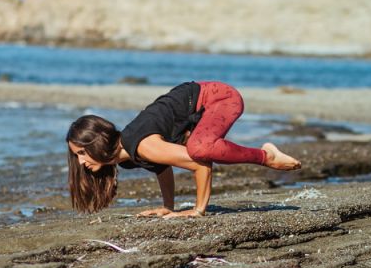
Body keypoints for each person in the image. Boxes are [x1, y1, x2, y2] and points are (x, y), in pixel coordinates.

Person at [66, 80, 301, 217]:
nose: (80, 162)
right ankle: (265, 155)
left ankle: (266, 156)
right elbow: (162, 168)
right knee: (198, 147)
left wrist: (197, 210)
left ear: (96, 142)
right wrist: (169, 207)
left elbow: (200, 165)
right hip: (200, 107)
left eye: (82, 153)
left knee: (199, 149)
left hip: (220, 98)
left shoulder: (142, 145)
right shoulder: (128, 154)